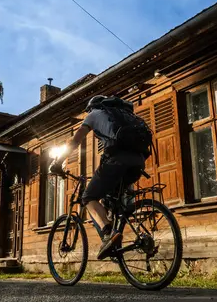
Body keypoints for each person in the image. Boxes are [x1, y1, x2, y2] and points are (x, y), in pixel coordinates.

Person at [50, 95, 146, 260]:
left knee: (88, 197)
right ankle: (119, 243)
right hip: (138, 162)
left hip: (117, 161)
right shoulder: (124, 115)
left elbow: (75, 141)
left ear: (91, 108)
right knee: (110, 201)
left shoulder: (94, 114)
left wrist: (58, 162)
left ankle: (109, 235)